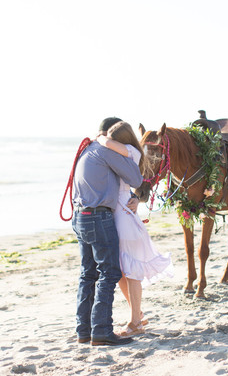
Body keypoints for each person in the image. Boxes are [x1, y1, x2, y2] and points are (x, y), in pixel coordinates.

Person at [97, 121, 174, 337]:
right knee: (121, 270)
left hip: (123, 215)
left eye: (114, 140)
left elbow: (108, 144)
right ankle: (137, 314)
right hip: (120, 210)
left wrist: (101, 138)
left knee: (130, 271)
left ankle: (135, 323)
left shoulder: (131, 151)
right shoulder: (124, 153)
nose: (110, 143)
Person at [71, 117, 143, 346]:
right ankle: (101, 331)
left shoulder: (86, 150)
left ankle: (84, 331)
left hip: (80, 215)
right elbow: (136, 178)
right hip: (98, 217)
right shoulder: (104, 150)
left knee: (88, 275)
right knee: (109, 273)